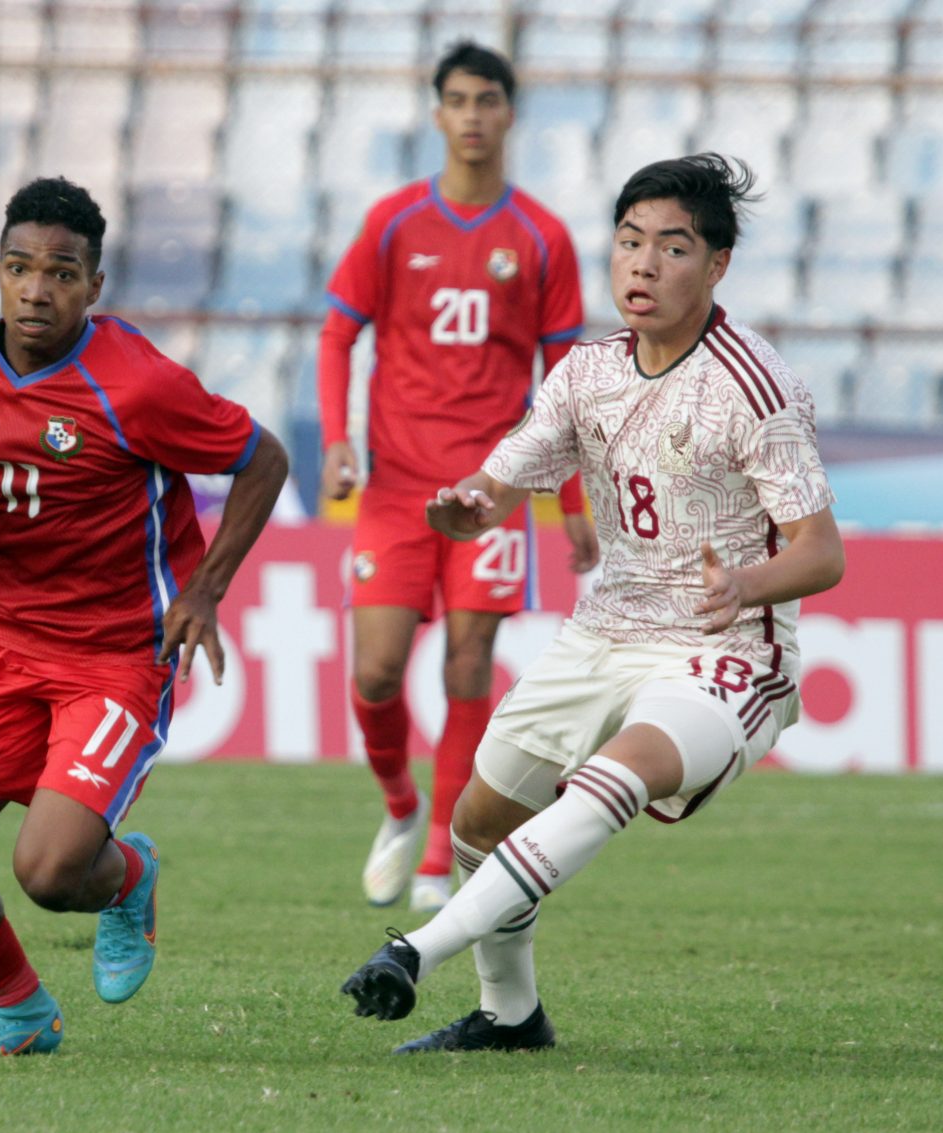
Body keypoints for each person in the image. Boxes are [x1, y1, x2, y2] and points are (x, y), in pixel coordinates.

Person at [340, 154, 845, 1053]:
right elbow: (506, 476)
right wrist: (472, 504)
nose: (643, 265)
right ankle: (509, 1017)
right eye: (629, 242)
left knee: (617, 772)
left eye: (672, 248)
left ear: (717, 265)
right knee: (478, 822)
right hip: (603, 631)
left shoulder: (756, 387)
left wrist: (743, 583)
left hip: (723, 649)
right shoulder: (586, 373)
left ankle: (416, 950)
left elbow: (821, 552)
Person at [0, 176, 288, 1058]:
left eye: (62, 273)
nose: (37, 289)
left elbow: (263, 458)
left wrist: (206, 588)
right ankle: (20, 1017)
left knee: (50, 870)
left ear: (94, 286)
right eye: (20, 266)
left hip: (113, 657)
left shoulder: (137, 384)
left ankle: (129, 874)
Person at [320, 40, 600, 915]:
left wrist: (572, 503)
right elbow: (337, 334)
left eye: (488, 100)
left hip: (491, 493)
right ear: (437, 114)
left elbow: (568, 387)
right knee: (374, 673)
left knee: (469, 661)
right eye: (458, 100)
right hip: (397, 488)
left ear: (510, 114)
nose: (473, 116)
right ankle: (400, 807)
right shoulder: (395, 221)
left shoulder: (543, 238)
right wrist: (338, 440)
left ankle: (442, 846)